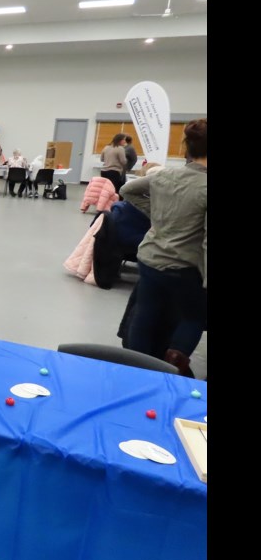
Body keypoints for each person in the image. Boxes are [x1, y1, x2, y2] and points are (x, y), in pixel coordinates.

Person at [120, 119, 207, 377]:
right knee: (194, 317)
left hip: (149, 260)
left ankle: (137, 369)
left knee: (145, 313)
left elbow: (127, 190)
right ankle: (173, 363)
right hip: (184, 267)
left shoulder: (165, 174)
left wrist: (157, 216)